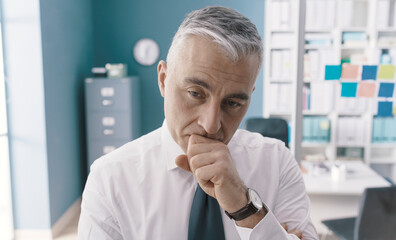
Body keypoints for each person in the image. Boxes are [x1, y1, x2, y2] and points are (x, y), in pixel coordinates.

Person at [78, 6, 318, 240]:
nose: (211, 125)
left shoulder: (277, 162)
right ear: (163, 79)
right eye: (195, 93)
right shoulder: (109, 179)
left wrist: (246, 208)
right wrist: (274, 231)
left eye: (233, 103)